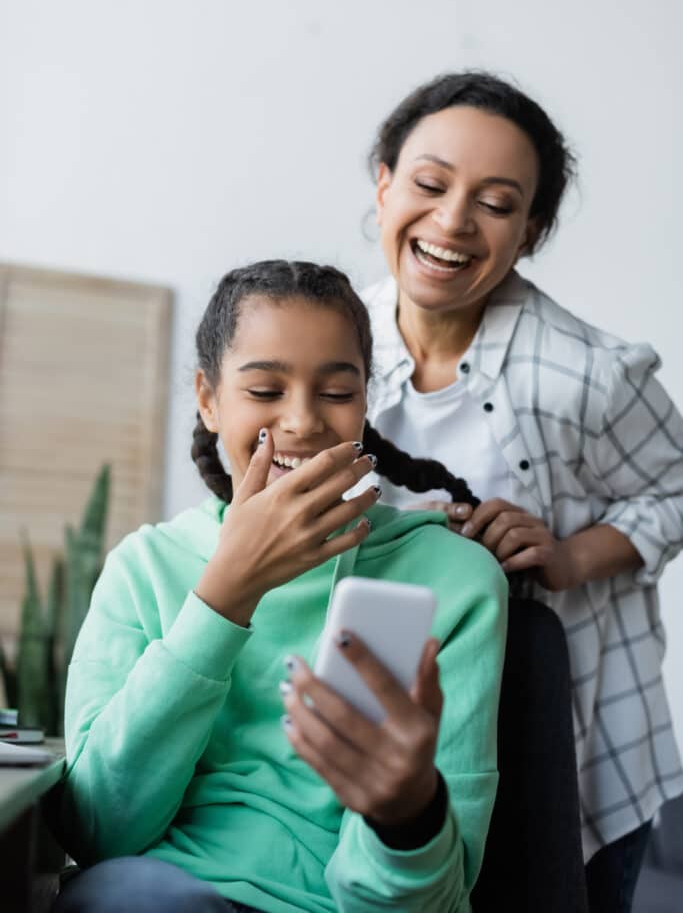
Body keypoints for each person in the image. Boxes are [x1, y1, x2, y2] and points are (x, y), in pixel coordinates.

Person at [53, 260, 507, 913]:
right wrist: (224, 595)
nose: (300, 421)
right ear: (208, 398)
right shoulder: (143, 568)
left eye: (335, 391)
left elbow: (433, 900)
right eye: (265, 389)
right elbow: (99, 832)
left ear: (365, 401)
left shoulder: (452, 580)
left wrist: (406, 810)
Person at [361, 70, 683, 912]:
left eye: (496, 203)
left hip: (565, 744)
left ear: (531, 230)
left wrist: (571, 555)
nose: (452, 221)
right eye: (429, 184)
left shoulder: (590, 371)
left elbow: (677, 488)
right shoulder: (329, 350)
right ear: (384, 182)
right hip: (384, 736)